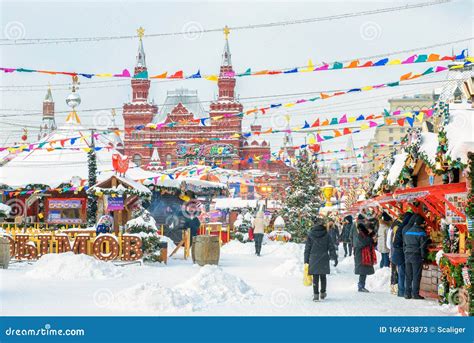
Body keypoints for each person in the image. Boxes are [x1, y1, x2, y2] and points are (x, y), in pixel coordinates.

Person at [304, 218, 337, 301]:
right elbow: (331, 247)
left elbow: (307, 249)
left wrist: (306, 260)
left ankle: (316, 295)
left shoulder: (310, 234)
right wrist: (334, 257)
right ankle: (323, 293)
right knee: (323, 276)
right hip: (324, 257)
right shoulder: (326, 234)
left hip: (313, 257)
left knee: (315, 277)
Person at [403, 214, 428, 299]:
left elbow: (404, 245)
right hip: (416, 256)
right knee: (416, 275)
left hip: (407, 255)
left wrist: (405, 253)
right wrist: (423, 257)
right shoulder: (422, 233)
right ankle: (415, 294)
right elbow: (423, 247)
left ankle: (407, 294)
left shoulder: (407, 231)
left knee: (408, 275)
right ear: (421, 223)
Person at [391, 211, 414, 297]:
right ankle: (402, 291)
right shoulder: (405, 228)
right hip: (401, 252)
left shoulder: (400, 227)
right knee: (403, 272)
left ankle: (401, 291)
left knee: (401, 271)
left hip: (397, 251)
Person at [353, 221, 376, 292]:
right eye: (370, 229)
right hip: (360, 256)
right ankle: (361, 286)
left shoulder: (367, 235)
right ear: (367, 229)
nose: (370, 231)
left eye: (371, 230)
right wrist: (371, 239)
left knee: (364, 272)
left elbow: (370, 244)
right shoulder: (361, 234)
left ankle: (361, 286)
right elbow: (362, 243)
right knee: (362, 272)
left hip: (365, 256)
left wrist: (374, 241)